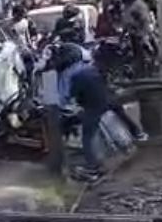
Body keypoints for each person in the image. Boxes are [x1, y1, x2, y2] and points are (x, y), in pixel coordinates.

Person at [53, 45, 148, 179]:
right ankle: (137, 133)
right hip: (104, 101)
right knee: (117, 108)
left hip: (92, 108)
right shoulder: (90, 68)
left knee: (87, 135)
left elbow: (65, 98)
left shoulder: (69, 74)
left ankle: (93, 168)